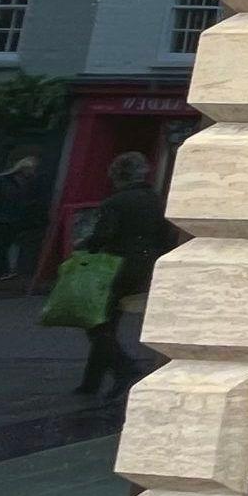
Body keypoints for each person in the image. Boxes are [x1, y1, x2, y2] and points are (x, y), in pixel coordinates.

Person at [76, 151, 173, 399]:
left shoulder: (115, 203)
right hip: (143, 265)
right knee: (107, 322)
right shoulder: (156, 200)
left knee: (97, 323)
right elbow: (166, 235)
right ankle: (92, 382)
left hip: (115, 264)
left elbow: (103, 235)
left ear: (118, 175)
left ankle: (124, 368)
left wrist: (84, 246)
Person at [0, 156, 40, 281]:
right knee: (1, 246)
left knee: (2, 246)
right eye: (31, 169)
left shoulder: (13, 181)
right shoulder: (3, 180)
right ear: (23, 169)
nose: (32, 172)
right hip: (1, 218)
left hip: (9, 217)